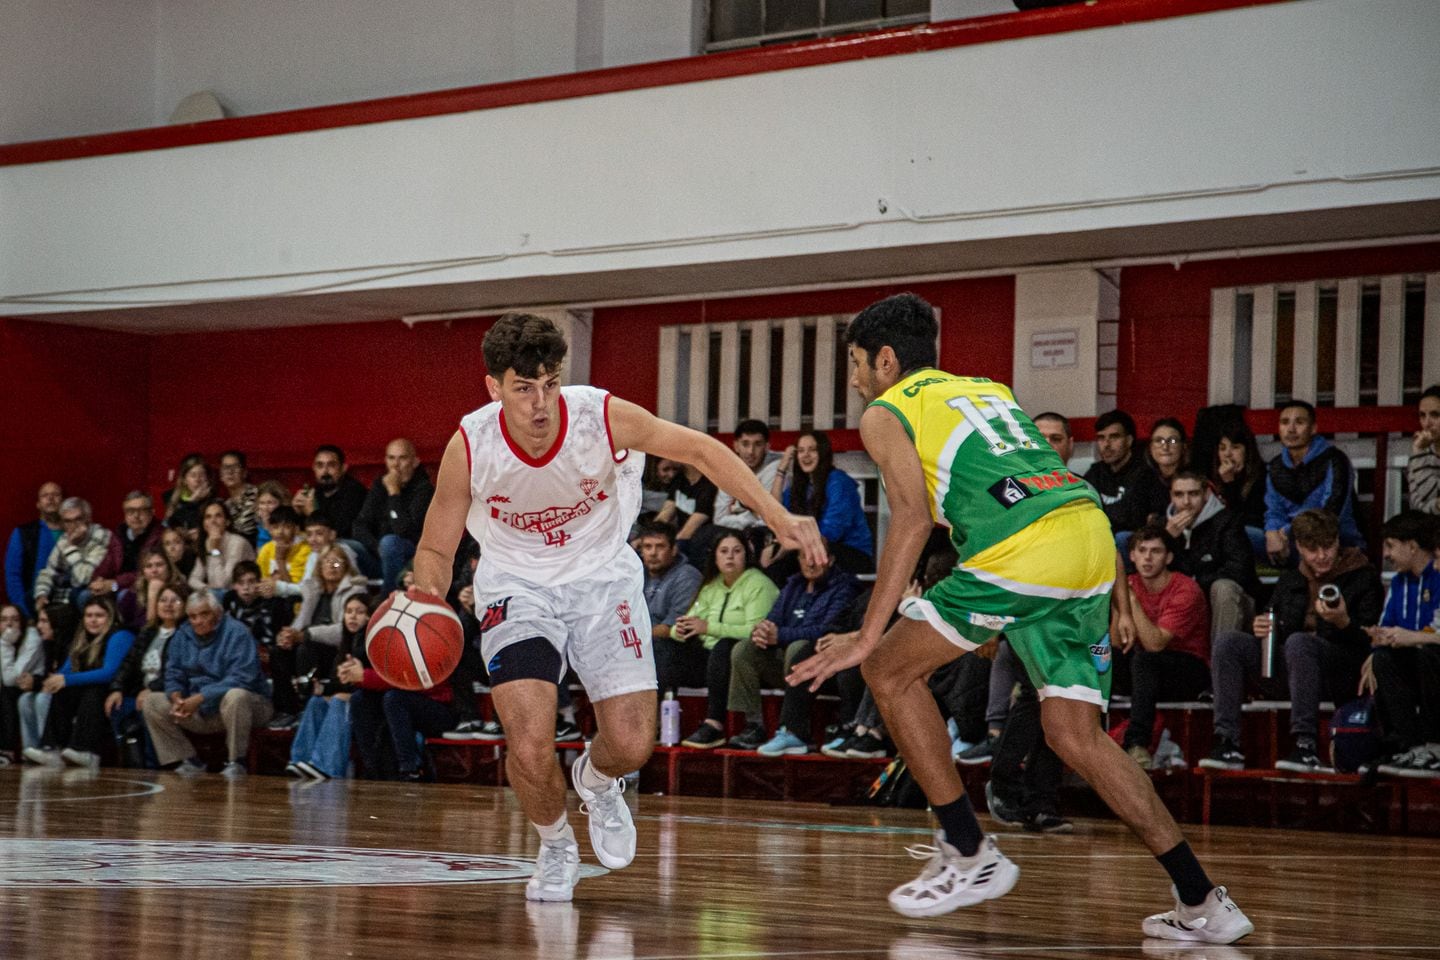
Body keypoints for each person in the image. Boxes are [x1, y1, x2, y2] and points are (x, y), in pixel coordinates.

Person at [787, 292, 1252, 943]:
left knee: (888, 672)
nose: (856, 380)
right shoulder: (986, 389)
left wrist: (868, 634)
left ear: (886, 359)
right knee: (1074, 734)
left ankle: (967, 851)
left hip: (1022, 548)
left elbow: (913, 520)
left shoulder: (887, 412)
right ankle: (1202, 900)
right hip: (1089, 541)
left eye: (857, 364)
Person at [410, 313, 821, 902]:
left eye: (550, 383)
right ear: (493, 387)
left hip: (603, 580)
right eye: (523, 388)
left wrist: (776, 516)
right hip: (518, 588)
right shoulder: (470, 446)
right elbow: (434, 547)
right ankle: (554, 846)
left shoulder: (599, 417)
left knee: (632, 744)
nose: (541, 402)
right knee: (527, 742)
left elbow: (701, 449)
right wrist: (427, 600)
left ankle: (597, 780)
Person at [1200, 509, 1383, 773]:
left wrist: (1342, 621)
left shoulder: (1362, 576)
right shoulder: (1290, 580)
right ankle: (1227, 741)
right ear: (1298, 546)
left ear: (1337, 542)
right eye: (1312, 549)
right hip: (1294, 668)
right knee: (1230, 642)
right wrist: (1262, 628)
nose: (1322, 556)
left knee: (1299, 643)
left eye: (1328, 546)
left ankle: (1305, 744)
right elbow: (1277, 628)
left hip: (1341, 671)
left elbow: (1370, 642)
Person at [736, 544, 860, 755]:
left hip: (824, 667)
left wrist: (781, 635)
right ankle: (753, 726)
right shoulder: (793, 585)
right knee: (744, 649)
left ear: (829, 559)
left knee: (799, 648)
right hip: (788, 665)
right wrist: (763, 631)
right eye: (805, 557)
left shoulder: (845, 586)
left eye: (817, 557)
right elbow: (773, 620)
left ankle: (794, 730)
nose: (810, 563)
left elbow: (829, 632)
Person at [140, 591, 275, 777]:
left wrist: (200, 698)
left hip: (247, 706)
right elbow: (173, 673)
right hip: (199, 708)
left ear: (217, 613)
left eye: (204, 614)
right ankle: (189, 760)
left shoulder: (237, 632)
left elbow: (242, 678)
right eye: (193, 616)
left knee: (236, 695)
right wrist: (176, 696)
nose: (198, 621)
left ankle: (237, 761)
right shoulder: (182, 634)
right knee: (152, 702)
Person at [676, 531, 780, 748]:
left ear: (747, 555)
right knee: (668, 650)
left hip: (753, 657)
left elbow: (756, 633)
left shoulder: (758, 584)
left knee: (725, 647)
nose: (730, 557)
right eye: (724, 552)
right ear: (715, 557)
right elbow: (694, 622)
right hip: (713, 656)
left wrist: (709, 627)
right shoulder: (712, 585)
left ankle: (715, 724)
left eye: (736, 551)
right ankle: (654, 721)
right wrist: (679, 630)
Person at [1119, 525, 1211, 769]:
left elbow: (1155, 644)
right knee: (1098, 658)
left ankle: (1137, 744)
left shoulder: (1185, 589)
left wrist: (1130, 602)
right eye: (1142, 550)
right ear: (1132, 556)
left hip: (1188, 669)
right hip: (1144, 666)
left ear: (1168, 557)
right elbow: (1117, 642)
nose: (1148, 558)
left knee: (1145, 659)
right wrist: (1117, 607)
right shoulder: (1127, 583)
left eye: (1156, 551)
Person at [1366, 511, 1440, 777]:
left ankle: (1435, 745)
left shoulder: (1438, 574)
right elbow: (1385, 630)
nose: (1386, 554)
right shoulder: (1399, 583)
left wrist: (1411, 637)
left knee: (1429, 654)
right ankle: (1410, 745)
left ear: (1412, 546)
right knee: (1382, 660)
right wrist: (1379, 639)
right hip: (1417, 664)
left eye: (1390, 545)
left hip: (1433, 661)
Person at [25, 596, 136, 769]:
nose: (93, 620)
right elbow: (66, 670)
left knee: (92, 690)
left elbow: (109, 673)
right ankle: (51, 748)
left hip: (120, 692)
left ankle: (86, 751)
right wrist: (52, 682)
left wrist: (66, 680)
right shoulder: (82, 637)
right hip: (94, 691)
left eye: (99, 615)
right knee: (62, 690)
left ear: (111, 616)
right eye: (89, 615)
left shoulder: (120, 635)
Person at [288, 593, 375, 779]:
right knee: (316, 702)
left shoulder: (373, 644)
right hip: (353, 696)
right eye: (349, 611)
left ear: (370, 617)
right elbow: (338, 682)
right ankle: (301, 760)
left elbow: (370, 681)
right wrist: (322, 689)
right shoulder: (346, 644)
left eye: (360, 612)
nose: (352, 616)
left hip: (370, 700)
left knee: (338, 701)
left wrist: (343, 694)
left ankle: (328, 766)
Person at [1264, 400, 1364, 564]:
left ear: (1314, 428)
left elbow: (1332, 511)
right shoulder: (1275, 467)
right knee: (1244, 535)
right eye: (1285, 422)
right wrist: (1271, 532)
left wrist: (1287, 533)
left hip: (1333, 543)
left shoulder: (1334, 460)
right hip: (1290, 543)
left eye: (1300, 422)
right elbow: (1274, 511)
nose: (1291, 429)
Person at [764, 429, 874, 576]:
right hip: (811, 548)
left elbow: (832, 531)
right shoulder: (801, 486)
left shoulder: (839, 482)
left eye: (812, 450)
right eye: (801, 451)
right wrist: (782, 469)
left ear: (822, 453)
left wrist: (788, 546)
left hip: (849, 553)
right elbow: (777, 512)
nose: (806, 455)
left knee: (781, 567)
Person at [1164, 471, 1259, 637]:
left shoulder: (1227, 521)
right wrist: (1168, 540)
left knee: (1223, 587)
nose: (1186, 502)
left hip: (1230, 600)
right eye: (1179, 495)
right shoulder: (1163, 527)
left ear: (1206, 494)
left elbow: (1240, 570)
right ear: (1171, 496)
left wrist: (1196, 582)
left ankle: (1221, 659)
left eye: (1193, 494)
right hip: (1184, 599)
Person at [105, 583, 187, 768]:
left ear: (185, 605)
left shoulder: (186, 634)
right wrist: (117, 688)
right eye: (163, 600)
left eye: (175, 600)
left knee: (148, 708)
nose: (168, 604)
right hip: (139, 690)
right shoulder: (148, 632)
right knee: (117, 706)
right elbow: (128, 663)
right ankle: (130, 763)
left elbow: (179, 670)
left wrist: (152, 689)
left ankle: (153, 765)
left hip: (168, 692)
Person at [355, 439, 434, 592]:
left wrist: (394, 493)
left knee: (390, 543)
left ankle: (389, 598)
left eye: (402, 458)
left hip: (411, 558)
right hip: (380, 553)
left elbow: (405, 531)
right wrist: (377, 547)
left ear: (415, 462)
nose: (396, 465)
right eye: (391, 458)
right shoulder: (380, 485)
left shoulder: (424, 489)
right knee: (346, 547)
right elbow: (359, 525)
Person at [638, 520, 705, 696]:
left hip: (681, 650)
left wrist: (633, 638)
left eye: (660, 547)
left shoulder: (687, 576)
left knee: (655, 649)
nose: (653, 553)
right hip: (643, 641)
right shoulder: (636, 575)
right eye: (647, 547)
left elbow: (671, 628)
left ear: (674, 549)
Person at [1084, 410, 1168, 547]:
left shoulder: (1146, 475)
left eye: (1114, 437)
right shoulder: (1094, 474)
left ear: (1129, 440)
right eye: (1101, 438)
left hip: (1133, 548)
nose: (1106, 444)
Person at [17, 603, 78, 757]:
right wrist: (33, 681)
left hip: (71, 693)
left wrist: (38, 683)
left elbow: (63, 675)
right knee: (25, 699)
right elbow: (48, 676)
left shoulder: (73, 644)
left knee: (43, 698)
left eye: (44, 621)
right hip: (54, 689)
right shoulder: (48, 644)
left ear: (58, 622)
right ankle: (31, 750)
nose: (39, 626)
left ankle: (51, 748)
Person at [1208, 420, 1268, 559]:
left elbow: (1239, 520)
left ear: (1247, 450)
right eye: (1222, 448)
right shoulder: (1214, 479)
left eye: (1235, 447)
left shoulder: (1262, 477)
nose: (1227, 454)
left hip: (1254, 534)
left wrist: (1230, 484)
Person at [89, 491, 164, 602]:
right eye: (130, 511)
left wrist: (115, 584)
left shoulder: (160, 536)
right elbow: (107, 563)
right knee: (84, 595)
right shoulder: (119, 534)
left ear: (152, 512)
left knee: (123, 597)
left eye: (141, 510)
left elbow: (148, 572)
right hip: (115, 585)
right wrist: (98, 580)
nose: (136, 516)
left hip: (142, 586)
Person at [4, 481, 63, 618]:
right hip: (33, 607)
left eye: (56, 494)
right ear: (38, 504)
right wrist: (24, 612)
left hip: (66, 606)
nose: (50, 498)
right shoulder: (23, 533)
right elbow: (13, 576)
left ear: (63, 501)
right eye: (45, 495)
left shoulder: (74, 533)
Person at [293, 444, 370, 539]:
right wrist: (295, 513)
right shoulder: (313, 492)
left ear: (343, 468)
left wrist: (312, 514)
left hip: (351, 545)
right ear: (314, 468)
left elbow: (340, 532)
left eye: (331, 465)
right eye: (320, 465)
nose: (325, 471)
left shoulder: (355, 492)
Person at [1, 604, 44, 763]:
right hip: (13, 688)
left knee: (6, 693)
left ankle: (7, 751)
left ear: (22, 622)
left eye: (15, 619)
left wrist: (5, 644)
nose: (9, 625)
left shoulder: (31, 638)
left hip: (35, 685)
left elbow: (11, 679)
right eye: (4, 620)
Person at [187, 500, 256, 593]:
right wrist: (207, 589)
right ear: (204, 525)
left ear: (227, 522)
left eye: (218, 516)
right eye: (208, 517)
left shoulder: (238, 543)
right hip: (217, 596)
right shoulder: (206, 542)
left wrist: (214, 550)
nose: (213, 521)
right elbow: (193, 579)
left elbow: (222, 584)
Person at [1408, 385, 1440, 515]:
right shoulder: (1419, 451)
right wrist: (1419, 453)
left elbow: (1429, 493)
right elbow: (1417, 503)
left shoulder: (1419, 452)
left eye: (1435, 415)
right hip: (1427, 527)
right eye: (1422, 415)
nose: (1427, 423)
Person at [165, 454, 214, 533]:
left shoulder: (213, 502)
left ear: (207, 478)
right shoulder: (170, 497)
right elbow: (169, 524)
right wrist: (192, 501)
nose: (198, 479)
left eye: (202, 474)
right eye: (193, 475)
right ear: (184, 480)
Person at [1147, 418, 1189, 489]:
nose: (1165, 447)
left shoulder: (1197, 480)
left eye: (1172, 441)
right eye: (1159, 440)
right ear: (1150, 447)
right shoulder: (1141, 480)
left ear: (1184, 446)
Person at [253, 480, 290, 550]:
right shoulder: (258, 525)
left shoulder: (288, 523)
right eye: (262, 503)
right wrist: (265, 526)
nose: (266, 508)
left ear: (281, 503)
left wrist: (267, 527)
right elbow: (261, 554)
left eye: (270, 503)